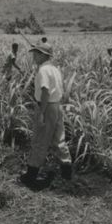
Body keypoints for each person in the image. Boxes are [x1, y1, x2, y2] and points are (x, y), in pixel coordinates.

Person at [18, 43, 72, 192]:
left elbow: (45, 91)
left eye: (36, 53)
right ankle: (67, 173)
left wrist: (41, 112)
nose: (34, 56)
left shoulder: (43, 70)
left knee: (39, 141)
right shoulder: (55, 69)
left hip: (47, 106)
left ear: (44, 55)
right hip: (57, 106)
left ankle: (31, 176)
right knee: (59, 139)